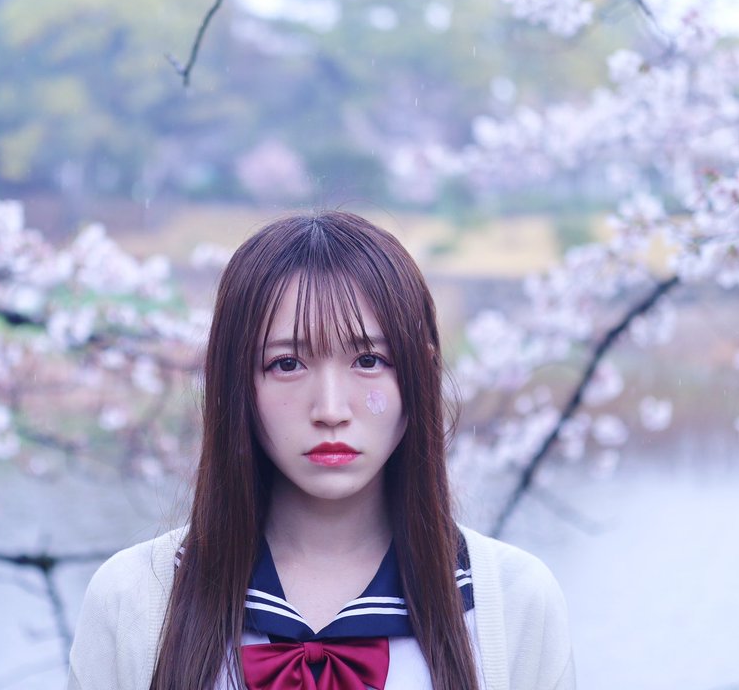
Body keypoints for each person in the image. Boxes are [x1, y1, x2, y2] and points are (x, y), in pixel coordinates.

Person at [67, 211, 575, 690]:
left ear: (420, 375)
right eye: (286, 364)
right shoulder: (135, 598)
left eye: (370, 359)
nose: (330, 408)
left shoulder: (511, 600)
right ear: (236, 383)